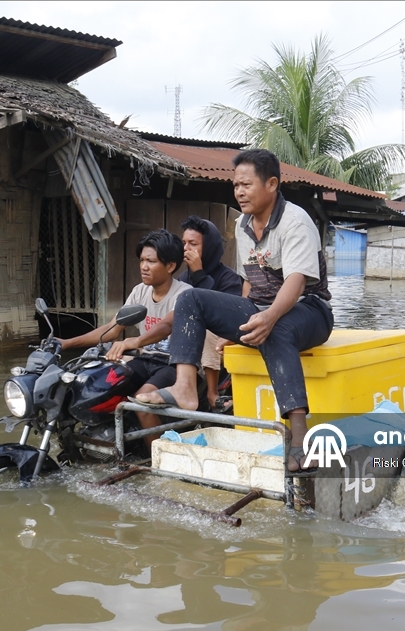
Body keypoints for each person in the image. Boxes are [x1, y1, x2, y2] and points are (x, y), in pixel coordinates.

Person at [132, 148, 334, 473]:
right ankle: (185, 387)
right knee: (191, 299)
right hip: (260, 306)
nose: (239, 192)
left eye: (246, 184)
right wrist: (237, 326)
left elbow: (296, 282)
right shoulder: (242, 224)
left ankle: (300, 437)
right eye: (236, 185)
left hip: (310, 309)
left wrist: (267, 317)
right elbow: (249, 282)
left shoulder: (295, 221)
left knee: (274, 328)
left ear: (271, 184)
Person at [59, 229, 189, 446]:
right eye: (142, 260)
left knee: (142, 401)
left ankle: (157, 458)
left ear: (170, 266)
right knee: (98, 386)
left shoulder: (185, 294)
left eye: (151, 261)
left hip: (173, 364)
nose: (144, 266)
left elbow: (167, 324)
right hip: (144, 359)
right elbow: (112, 329)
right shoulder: (140, 291)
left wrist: (134, 341)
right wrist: (66, 343)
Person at [107, 215, 242, 409]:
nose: (186, 249)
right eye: (184, 243)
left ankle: (212, 393)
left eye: (193, 244)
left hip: (218, 343)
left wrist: (200, 274)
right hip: (182, 345)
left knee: (206, 330)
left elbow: (218, 311)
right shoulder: (183, 278)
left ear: (209, 246)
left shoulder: (229, 278)